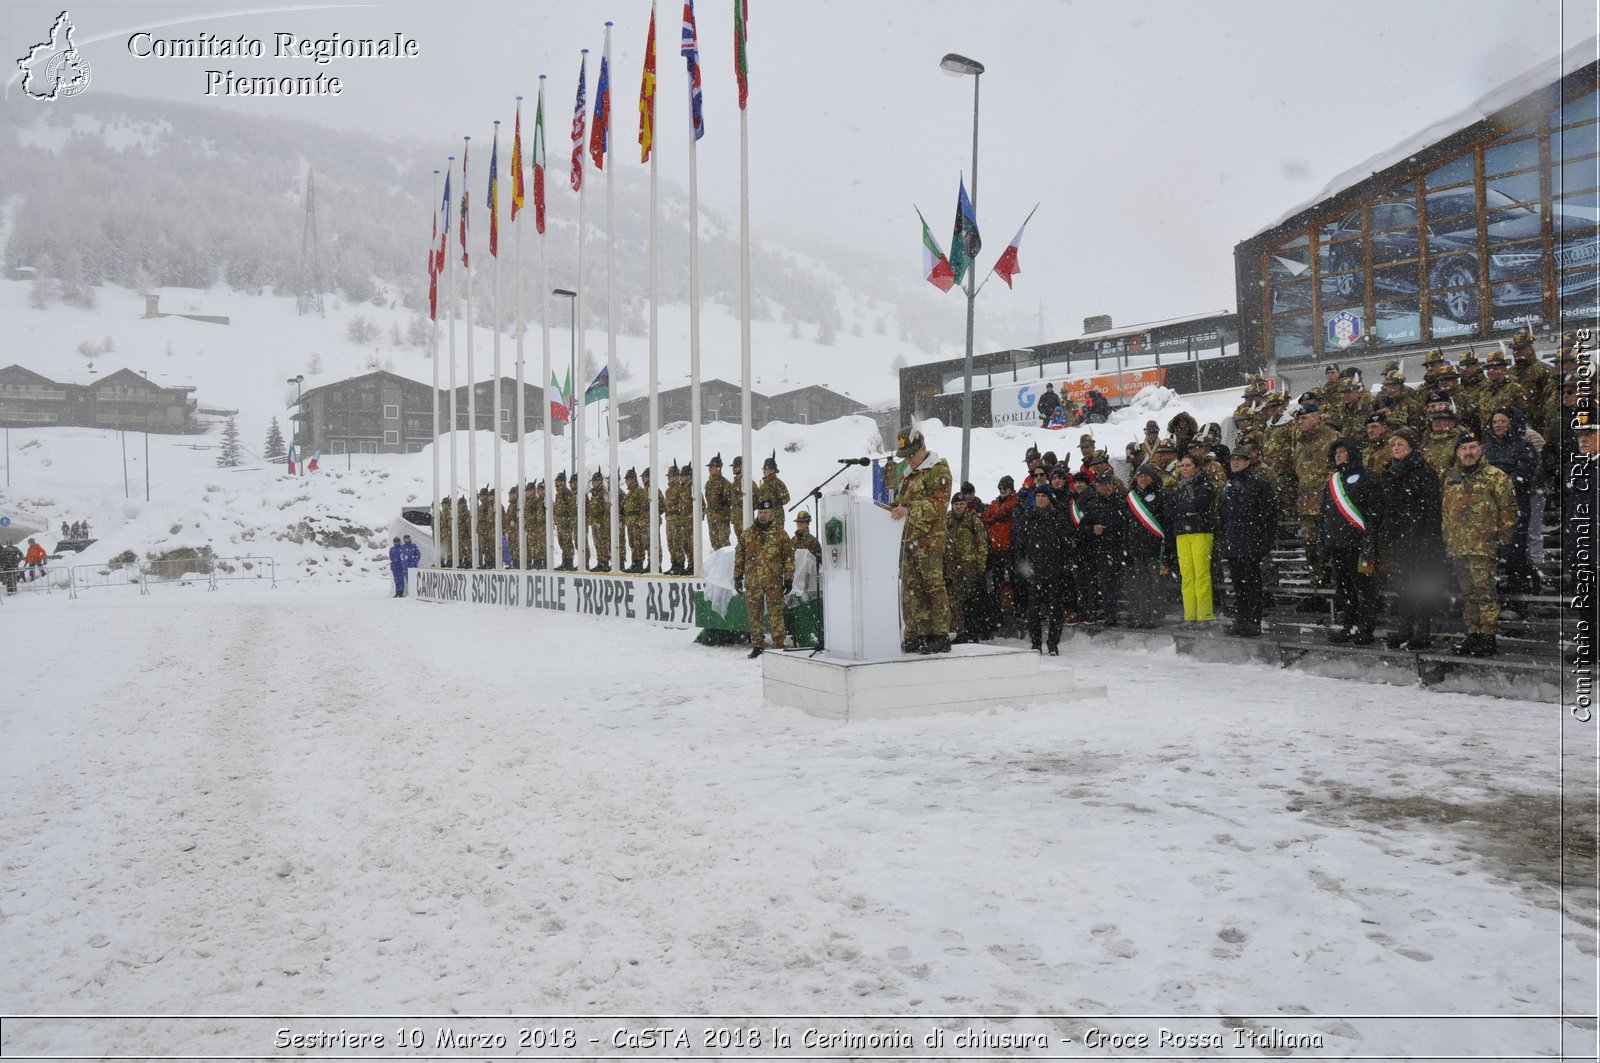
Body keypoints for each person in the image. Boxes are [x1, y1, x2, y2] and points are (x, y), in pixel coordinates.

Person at [1442, 429, 1518, 657]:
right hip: (1458, 547)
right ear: (1457, 453)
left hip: (1483, 547)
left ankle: (1488, 636)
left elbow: (1509, 511)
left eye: (1472, 447)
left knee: (1485, 593)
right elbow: (1446, 513)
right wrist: (1448, 542)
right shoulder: (1451, 479)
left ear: (1480, 450)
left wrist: (1503, 540)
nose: (1468, 452)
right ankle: (1473, 633)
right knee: (1468, 594)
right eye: (1463, 449)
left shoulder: (1496, 476)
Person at [1378, 428, 1445, 650]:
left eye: (1400, 444)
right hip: (1396, 540)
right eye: (1393, 445)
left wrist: (1429, 538)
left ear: (1411, 447)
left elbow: (1432, 509)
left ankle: (1421, 631)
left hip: (1418, 539)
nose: (1396, 448)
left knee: (1420, 586)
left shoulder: (1425, 473)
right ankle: (1404, 628)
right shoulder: (1388, 473)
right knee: (1402, 587)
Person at [890, 425, 953, 654]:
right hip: (909, 541)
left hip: (929, 540)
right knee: (911, 589)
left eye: (912, 455)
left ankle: (939, 635)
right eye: (905, 457)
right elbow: (899, 503)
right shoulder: (908, 475)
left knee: (933, 587)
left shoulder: (938, 470)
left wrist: (909, 509)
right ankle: (917, 633)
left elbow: (939, 505)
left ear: (923, 448)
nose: (909, 460)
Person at [1318, 437, 1381, 644]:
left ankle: (1365, 629)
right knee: (1343, 588)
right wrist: (1324, 540)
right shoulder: (1332, 481)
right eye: (1336, 452)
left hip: (1361, 545)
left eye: (1343, 451)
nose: (1338, 455)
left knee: (1365, 588)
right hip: (1336, 545)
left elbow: (1374, 512)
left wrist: (1370, 539)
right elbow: (1324, 514)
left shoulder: (1367, 478)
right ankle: (1350, 626)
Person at [1217, 447, 1276, 637]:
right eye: (1232, 459)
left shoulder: (1259, 484)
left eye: (1239, 460)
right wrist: (1224, 540)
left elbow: (1268, 515)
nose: (1235, 462)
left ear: (1248, 462)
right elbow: (1223, 516)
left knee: (1252, 584)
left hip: (1251, 542)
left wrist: (1264, 542)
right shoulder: (1228, 486)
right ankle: (1242, 619)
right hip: (1233, 543)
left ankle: (1253, 621)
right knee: (1238, 584)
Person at [1482, 405, 1539, 595]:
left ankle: (1517, 598)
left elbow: (1523, 473)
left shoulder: (1524, 446)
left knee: (1515, 553)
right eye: (1495, 421)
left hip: (1515, 506)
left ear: (1512, 423)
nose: (1497, 425)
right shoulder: (1486, 449)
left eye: (1502, 421)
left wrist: (1497, 484)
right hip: (1488, 508)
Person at [733, 497, 794, 658]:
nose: (762, 515)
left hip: (773, 580)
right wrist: (737, 576)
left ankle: (779, 645)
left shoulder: (780, 534)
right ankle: (758, 645)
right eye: (760, 512)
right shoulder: (748, 534)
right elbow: (740, 556)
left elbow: (788, 557)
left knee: (776, 614)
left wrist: (788, 578)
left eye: (766, 512)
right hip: (753, 581)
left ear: (772, 513)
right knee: (754, 614)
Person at [1014, 483, 1071, 653]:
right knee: (1033, 611)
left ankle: (1053, 644)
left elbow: (1065, 545)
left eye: (1043, 496)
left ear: (1049, 498)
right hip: (1034, 571)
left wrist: (1064, 566)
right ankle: (1036, 643)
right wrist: (1022, 567)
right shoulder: (1028, 517)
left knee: (1055, 610)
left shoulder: (1058, 518)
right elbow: (1020, 546)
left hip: (1054, 570)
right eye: (1038, 496)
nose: (1040, 499)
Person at [1165, 455, 1215, 623]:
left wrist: (1182, 510)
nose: (1184, 468)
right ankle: (1189, 615)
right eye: (1181, 465)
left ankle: (1204, 614)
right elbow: (1169, 510)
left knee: (1201, 574)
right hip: (1182, 534)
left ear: (1196, 467)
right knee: (1187, 576)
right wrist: (1185, 511)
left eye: (1188, 465)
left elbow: (1199, 504)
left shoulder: (1204, 484)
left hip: (1201, 532)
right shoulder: (1177, 487)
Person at [1123, 464, 1169, 628]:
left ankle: (1156, 616)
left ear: (1152, 477)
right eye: (1140, 475)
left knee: (1157, 584)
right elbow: (1127, 523)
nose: (1143, 478)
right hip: (1137, 547)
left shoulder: (1161, 495)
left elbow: (1166, 520)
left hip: (1156, 548)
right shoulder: (1131, 497)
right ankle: (1142, 615)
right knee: (1141, 584)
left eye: (1146, 475)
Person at [1084, 472, 1128, 626]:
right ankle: (1111, 615)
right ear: (1097, 487)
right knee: (1107, 584)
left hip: (1122, 548)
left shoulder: (1122, 500)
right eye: (1104, 484)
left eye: (1110, 483)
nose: (1108, 487)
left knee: (1124, 583)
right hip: (1103, 550)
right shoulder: (1092, 504)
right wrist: (1092, 529)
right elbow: (1081, 528)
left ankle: (1132, 615)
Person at [979, 475, 1020, 637]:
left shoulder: (1014, 500)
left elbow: (1003, 511)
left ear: (1011, 488)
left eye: (1005, 488)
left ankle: (1011, 612)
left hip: (1009, 551)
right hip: (996, 550)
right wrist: (996, 516)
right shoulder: (997, 503)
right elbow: (987, 516)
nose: (1003, 491)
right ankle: (999, 614)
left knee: (1011, 583)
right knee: (996, 584)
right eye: (1000, 488)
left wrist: (994, 516)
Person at [943, 492, 988, 643]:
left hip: (969, 568)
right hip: (951, 568)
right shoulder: (946, 520)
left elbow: (982, 545)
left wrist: (980, 568)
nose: (959, 507)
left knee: (970, 603)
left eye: (961, 504)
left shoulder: (974, 521)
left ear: (966, 505)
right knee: (954, 602)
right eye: (956, 504)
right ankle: (959, 632)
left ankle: (973, 633)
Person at [703, 454, 735, 551]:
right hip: (711, 517)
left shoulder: (725, 483)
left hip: (722, 517)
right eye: (709, 467)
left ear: (718, 468)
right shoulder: (708, 484)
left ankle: (725, 564)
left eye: (712, 467)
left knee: (724, 543)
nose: (710, 469)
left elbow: (730, 500)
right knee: (714, 543)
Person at [553, 472, 577, 570]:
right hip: (560, 523)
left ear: (563, 482)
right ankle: (564, 561)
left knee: (567, 543)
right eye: (557, 482)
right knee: (562, 542)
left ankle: (569, 562)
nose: (557, 484)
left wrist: (570, 522)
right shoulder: (558, 495)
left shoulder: (567, 493)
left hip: (566, 523)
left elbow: (572, 509)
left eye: (559, 481)